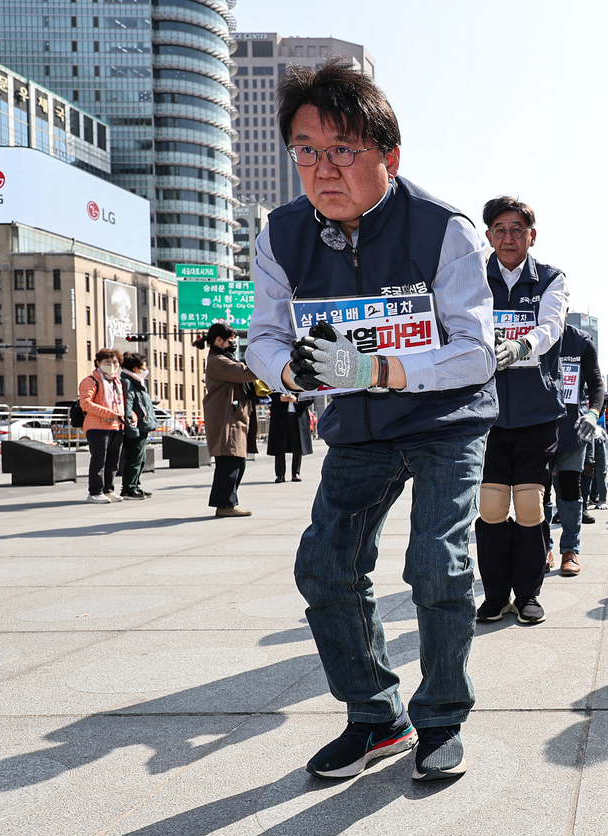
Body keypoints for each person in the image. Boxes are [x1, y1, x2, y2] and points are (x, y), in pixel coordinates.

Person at [247, 58, 496, 782]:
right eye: (306, 150)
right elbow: (263, 334)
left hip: (447, 416)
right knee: (325, 565)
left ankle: (442, 715)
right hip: (356, 423)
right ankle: (374, 715)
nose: (323, 169)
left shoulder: (443, 230)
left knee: (437, 564)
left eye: (343, 149)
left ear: (389, 155)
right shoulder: (281, 235)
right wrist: (294, 373)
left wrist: (381, 369)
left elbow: (476, 351)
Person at [474, 196, 571, 626]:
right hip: (485, 412)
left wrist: (520, 345)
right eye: (499, 229)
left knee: (530, 505)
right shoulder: (473, 277)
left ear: (532, 236)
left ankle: (529, 593)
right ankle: (495, 595)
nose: (508, 237)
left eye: (517, 229)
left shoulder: (551, 279)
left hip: (535, 412)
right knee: (491, 506)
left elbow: (551, 326)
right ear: (489, 235)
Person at [549, 323, 605, 575]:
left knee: (570, 488)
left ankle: (570, 549)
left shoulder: (581, 342)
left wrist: (593, 414)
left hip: (573, 429)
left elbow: (596, 385)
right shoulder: (528, 333)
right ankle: (542, 548)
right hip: (535, 428)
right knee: (536, 492)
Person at [196, 323, 258, 517]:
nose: (233, 343)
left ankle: (227, 502)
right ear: (218, 340)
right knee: (229, 462)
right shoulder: (219, 361)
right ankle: (225, 504)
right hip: (226, 418)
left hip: (231, 416)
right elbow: (245, 373)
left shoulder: (222, 358)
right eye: (231, 340)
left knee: (236, 461)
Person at [79, 348, 126, 504]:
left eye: (115, 362)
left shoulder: (116, 382)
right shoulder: (91, 381)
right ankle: (95, 492)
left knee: (113, 461)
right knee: (99, 460)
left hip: (116, 426)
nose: (112, 365)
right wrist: (110, 414)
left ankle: (108, 489)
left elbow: (120, 404)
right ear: (98, 363)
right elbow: (86, 404)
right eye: (107, 361)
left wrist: (128, 417)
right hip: (97, 426)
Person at [118, 352, 157, 500]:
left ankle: (135, 485)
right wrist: (131, 428)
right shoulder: (128, 382)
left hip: (141, 426)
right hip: (136, 427)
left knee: (140, 458)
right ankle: (128, 488)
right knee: (134, 458)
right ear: (135, 368)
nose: (145, 368)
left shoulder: (136, 381)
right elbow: (128, 406)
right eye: (143, 365)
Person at [267, 391, 313, 482]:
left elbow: (310, 397)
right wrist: (279, 398)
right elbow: (267, 394)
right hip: (280, 417)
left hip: (297, 418)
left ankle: (295, 473)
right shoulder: (276, 380)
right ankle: (280, 474)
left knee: (297, 446)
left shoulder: (301, 381)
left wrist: (297, 400)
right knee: (280, 446)